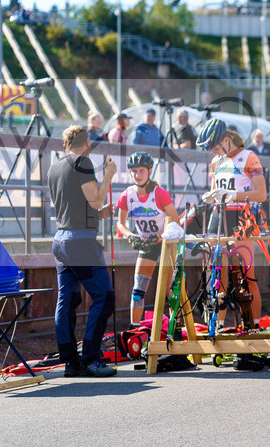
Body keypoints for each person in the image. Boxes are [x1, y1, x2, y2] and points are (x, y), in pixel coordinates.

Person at [47, 125, 118, 378]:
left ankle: (70, 362)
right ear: (86, 142)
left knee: (66, 300)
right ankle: (90, 359)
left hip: (61, 240)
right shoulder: (84, 162)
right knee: (104, 296)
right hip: (81, 243)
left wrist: (97, 215)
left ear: (65, 143)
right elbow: (96, 199)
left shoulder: (54, 167)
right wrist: (108, 175)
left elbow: (73, 206)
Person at [197, 119, 267, 328]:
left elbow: (261, 194)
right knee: (218, 277)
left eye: (216, 147)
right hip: (218, 217)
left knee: (247, 277)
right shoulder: (216, 161)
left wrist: (233, 194)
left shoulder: (249, 157)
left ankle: (253, 326)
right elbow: (215, 189)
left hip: (241, 218)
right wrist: (211, 197)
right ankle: (217, 326)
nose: (214, 152)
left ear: (227, 140)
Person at [115, 152, 179, 326]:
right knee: (137, 291)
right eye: (134, 171)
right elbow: (120, 225)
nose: (138, 175)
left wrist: (159, 236)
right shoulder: (127, 195)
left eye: (142, 171)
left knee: (170, 290)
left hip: (165, 243)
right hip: (146, 244)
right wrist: (131, 236)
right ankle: (135, 330)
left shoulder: (160, 193)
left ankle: (176, 328)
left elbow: (176, 221)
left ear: (150, 171)